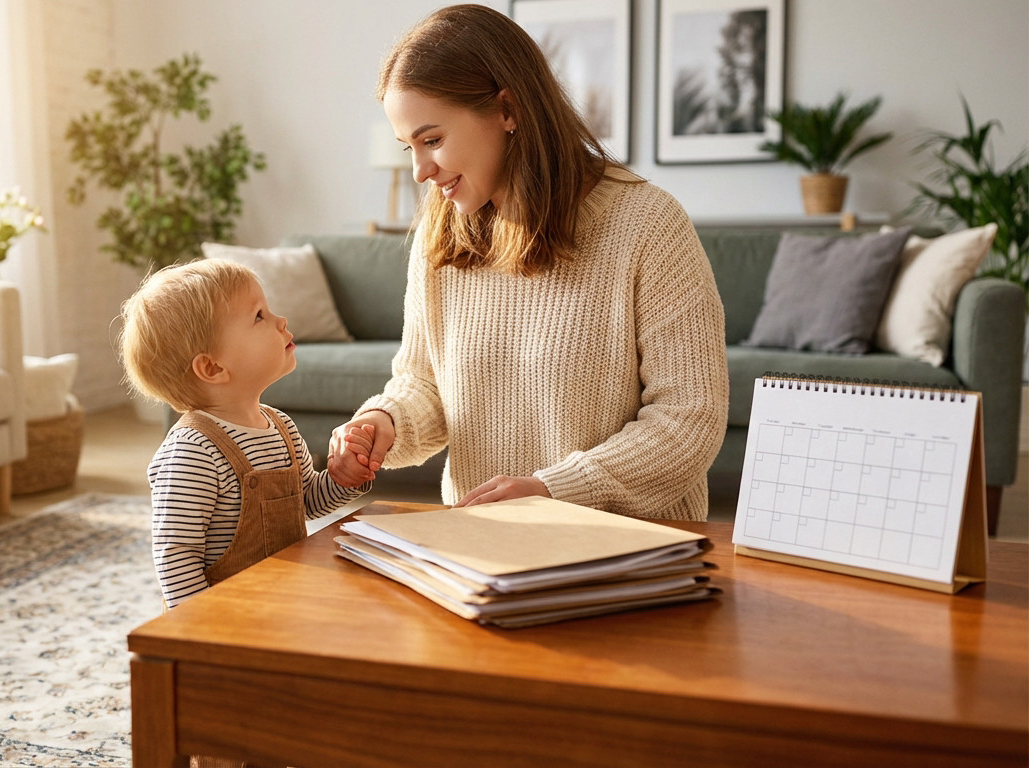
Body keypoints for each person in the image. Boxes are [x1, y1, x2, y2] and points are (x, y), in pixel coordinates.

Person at [328, 4, 728, 521]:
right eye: (408, 146)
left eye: (432, 140)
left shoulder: (648, 223)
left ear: (508, 110)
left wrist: (553, 490)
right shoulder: (441, 232)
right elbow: (424, 383)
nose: (420, 171)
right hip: (484, 553)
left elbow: (688, 420)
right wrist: (385, 423)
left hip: (628, 553)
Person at [120, 258, 372, 609]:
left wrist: (342, 478)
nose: (280, 320)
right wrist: (202, 626)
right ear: (213, 367)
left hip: (281, 604)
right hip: (225, 619)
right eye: (259, 316)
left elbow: (309, 503)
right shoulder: (192, 452)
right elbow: (176, 553)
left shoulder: (280, 427)